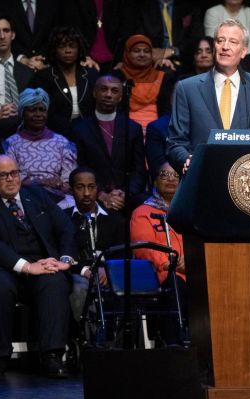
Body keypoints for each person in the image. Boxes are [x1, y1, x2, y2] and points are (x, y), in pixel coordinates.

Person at [0, 154, 76, 378]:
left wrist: (64, 260)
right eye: (3, 175)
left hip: (41, 263)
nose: (10, 179)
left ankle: (52, 356)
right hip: (0, 265)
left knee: (54, 280)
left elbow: (65, 227)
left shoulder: (36, 194)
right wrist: (27, 267)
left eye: (14, 173)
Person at [167, 19, 250, 173]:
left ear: (244, 51)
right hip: (203, 177)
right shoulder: (187, 88)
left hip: (248, 182)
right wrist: (186, 159)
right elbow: (175, 143)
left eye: (233, 42)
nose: (225, 47)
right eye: (220, 40)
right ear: (215, 47)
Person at [130, 161, 187, 344]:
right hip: (163, 275)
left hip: (194, 272)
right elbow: (144, 248)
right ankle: (174, 346)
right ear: (154, 181)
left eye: (175, 175)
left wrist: (194, 260)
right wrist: (169, 263)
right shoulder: (143, 212)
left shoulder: (189, 211)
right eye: (164, 175)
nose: (170, 179)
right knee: (175, 284)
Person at [71, 75, 146, 209]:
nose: (108, 95)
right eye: (104, 89)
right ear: (94, 93)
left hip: (127, 197)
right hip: (92, 196)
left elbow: (138, 170)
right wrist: (101, 194)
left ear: (121, 97)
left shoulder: (133, 128)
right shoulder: (79, 129)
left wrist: (124, 193)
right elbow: (79, 167)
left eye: (114, 91)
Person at [62, 166, 125, 324]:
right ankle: (87, 341)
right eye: (80, 187)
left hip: (109, 271)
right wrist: (84, 270)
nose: (86, 193)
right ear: (71, 190)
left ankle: (121, 343)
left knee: (127, 283)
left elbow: (123, 252)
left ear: (98, 189)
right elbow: (62, 253)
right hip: (79, 272)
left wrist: (108, 268)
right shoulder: (63, 219)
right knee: (79, 287)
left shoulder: (115, 219)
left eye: (91, 187)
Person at [4, 88, 78, 205]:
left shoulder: (62, 142)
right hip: (24, 196)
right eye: (32, 110)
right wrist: (41, 182)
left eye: (42, 110)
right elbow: (11, 177)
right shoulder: (11, 143)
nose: (38, 114)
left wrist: (60, 184)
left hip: (58, 197)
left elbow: (70, 177)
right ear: (22, 113)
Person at [29, 26, 98, 137]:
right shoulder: (43, 77)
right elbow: (45, 112)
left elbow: (97, 107)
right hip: (55, 133)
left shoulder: (91, 74)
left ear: (79, 49)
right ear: (54, 50)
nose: (68, 50)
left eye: (72, 46)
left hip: (89, 131)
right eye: (62, 46)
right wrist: (71, 129)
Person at [63, 0, 135, 70]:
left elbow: (128, 31)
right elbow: (72, 30)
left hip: (118, 62)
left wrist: (123, 60)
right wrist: (83, 57)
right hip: (84, 61)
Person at [135, 0, 203, 71]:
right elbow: (138, 39)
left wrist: (172, 51)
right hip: (153, 64)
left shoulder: (190, 9)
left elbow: (196, 40)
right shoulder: (142, 10)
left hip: (186, 63)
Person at [0, 0, 60, 71]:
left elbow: (57, 36)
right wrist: (22, 58)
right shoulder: (2, 4)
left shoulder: (52, 2)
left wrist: (42, 59)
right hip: (15, 66)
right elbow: (0, 38)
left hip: (47, 65)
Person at [117, 34, 174, 131]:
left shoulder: (162, 77)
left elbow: (167, 112)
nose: (142, 54)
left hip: (156, 131)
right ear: (127, 54)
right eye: (136, 51)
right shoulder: (118, 77)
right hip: (127, 132)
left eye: (146, 51)